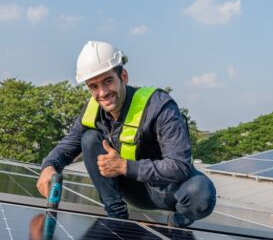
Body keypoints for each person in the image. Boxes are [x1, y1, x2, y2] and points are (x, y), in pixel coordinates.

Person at [35, 40, 216, 227]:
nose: (102, 93)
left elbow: (179, 166)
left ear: (124, 76)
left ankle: (174, 227)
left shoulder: (159, 106)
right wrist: (49, 166)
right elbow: (68, 145)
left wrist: (124, 167)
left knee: (201, 192)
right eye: (94, 86)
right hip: (132, 189)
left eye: (108, 81)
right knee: (89, 138)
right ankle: (116, 216)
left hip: (168, 191)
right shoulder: (93, 110)